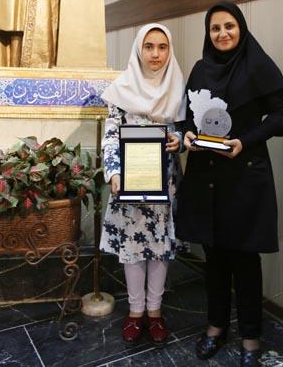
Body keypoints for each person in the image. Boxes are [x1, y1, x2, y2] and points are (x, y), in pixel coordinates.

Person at [176, 1, 283, 367]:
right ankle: (216, 327)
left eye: (229, 26)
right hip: (206, 177)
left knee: (245, 260)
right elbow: (186, 117)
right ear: (208, 33)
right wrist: (188, 135)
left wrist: (245, 141)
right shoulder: (200, 69)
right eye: (215, 28)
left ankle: (251, 337)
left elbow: (280, 115)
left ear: (240, 27)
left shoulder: (257, 65)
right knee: (214, 258)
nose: (222, 33)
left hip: (244, 175)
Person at [100, 23, 186, 346]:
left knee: (160, 248)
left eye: (162, 47)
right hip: (130, 182)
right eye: (149, 46)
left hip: (165, 183)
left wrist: (179, 140)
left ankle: (155, 311)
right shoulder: (121, 89)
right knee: (132, 248)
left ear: (169, 50)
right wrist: (114, 173)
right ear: (139, 49)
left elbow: (186, 131)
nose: (155, 54)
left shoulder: (177, 86)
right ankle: (135, 313)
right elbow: (111, 136)